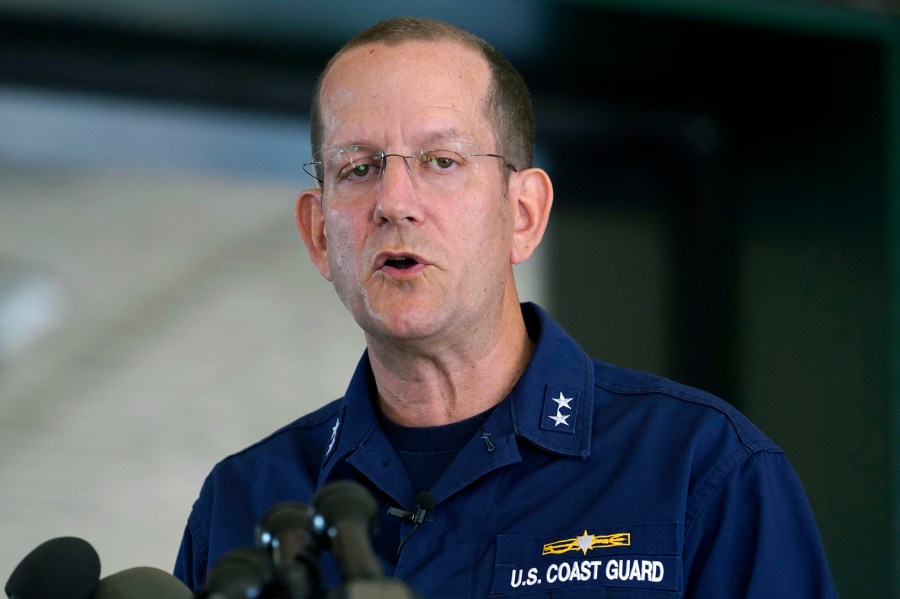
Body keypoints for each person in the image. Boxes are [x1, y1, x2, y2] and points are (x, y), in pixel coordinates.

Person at [174, 16, 838, 598]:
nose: (394, 200)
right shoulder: (244, 502)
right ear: (320, 234)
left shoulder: (701, 468)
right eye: (357, 167)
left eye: (440, 160)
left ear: (523, 214)